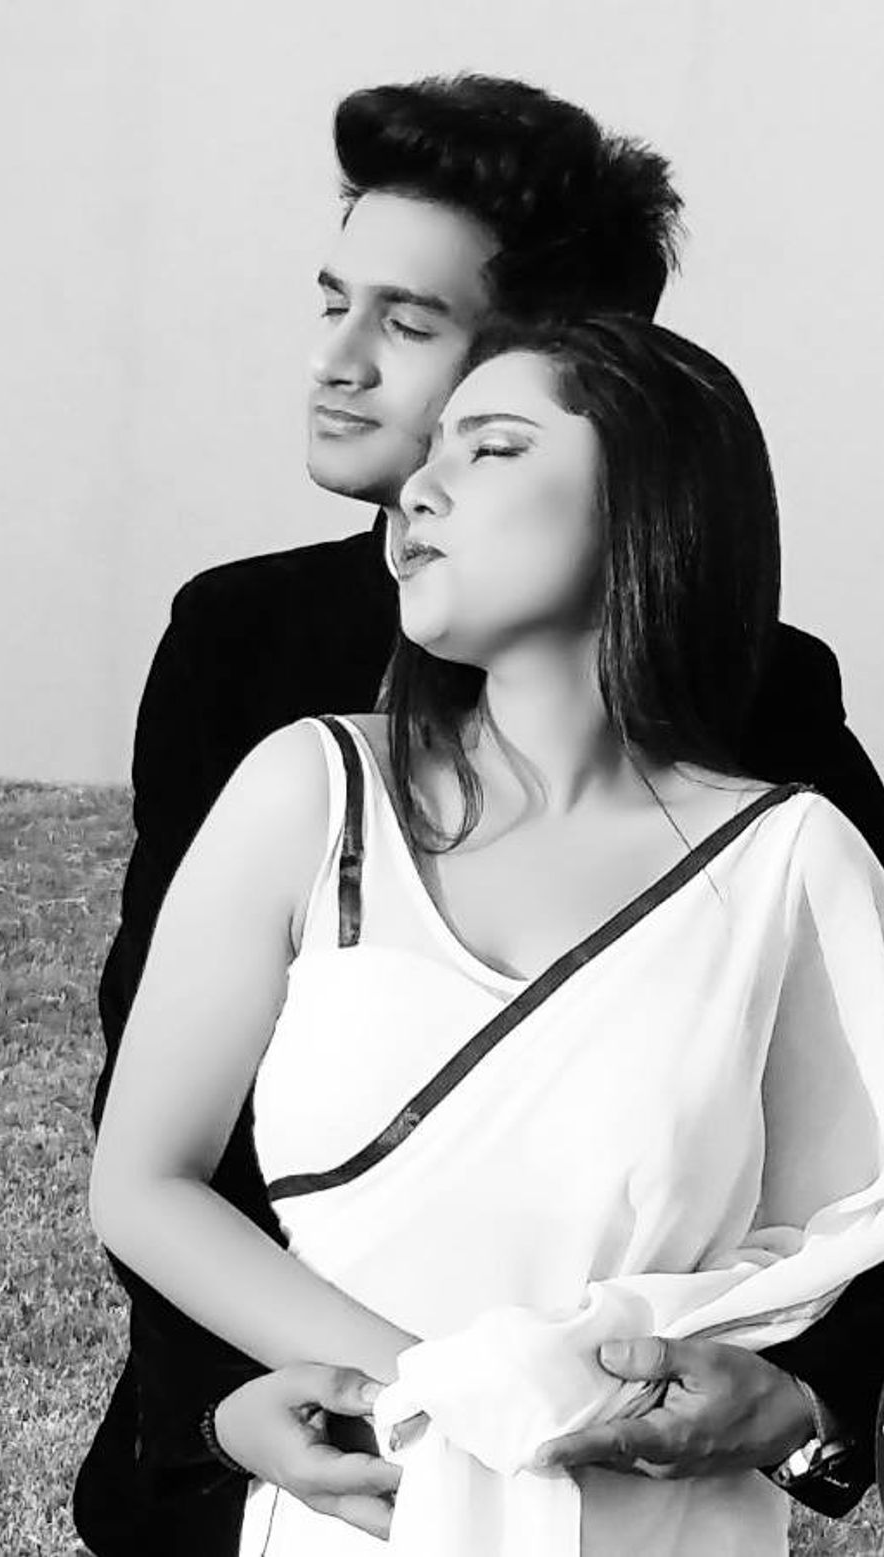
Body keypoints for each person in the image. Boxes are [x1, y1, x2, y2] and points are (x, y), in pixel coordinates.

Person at [73, 76, 884, 1555]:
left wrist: (812, 1400)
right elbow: (169, 1110)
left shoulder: (764, 723)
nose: (335, 362)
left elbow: (851, 1140)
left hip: (635, 1490)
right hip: (308, 1459)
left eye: (408, 322)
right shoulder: (246, 659)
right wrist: (229, 1413)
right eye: (334, 301)